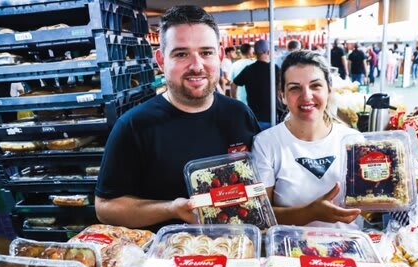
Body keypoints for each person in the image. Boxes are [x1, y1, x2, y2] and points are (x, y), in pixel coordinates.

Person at [95, 6, 260, 231]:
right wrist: (171, 209)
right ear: (161, 61)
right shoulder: (133, 126)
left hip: (237, 249)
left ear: (220, 56)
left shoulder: (240, 114)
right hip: (166, 259)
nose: (196, 65)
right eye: (181, 54)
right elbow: (105, 207)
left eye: (206, 52)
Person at [252, 50, 362, 228]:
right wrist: (310, 213)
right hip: (288, 251)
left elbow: (373, 201)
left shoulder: (353, 140)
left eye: (315, 86)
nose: (307, 96)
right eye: (295, 88)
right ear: (282, 95)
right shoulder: (266, 144)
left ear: (329, 90)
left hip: (349, 249)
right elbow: (260, 215)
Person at [233, 39, 280, 130]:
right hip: (272, 116)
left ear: (255, 53)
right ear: (268, 52)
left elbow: (233, 84)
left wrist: (235, 100)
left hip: (253, 117)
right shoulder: (274, 69)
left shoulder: (248, 69)